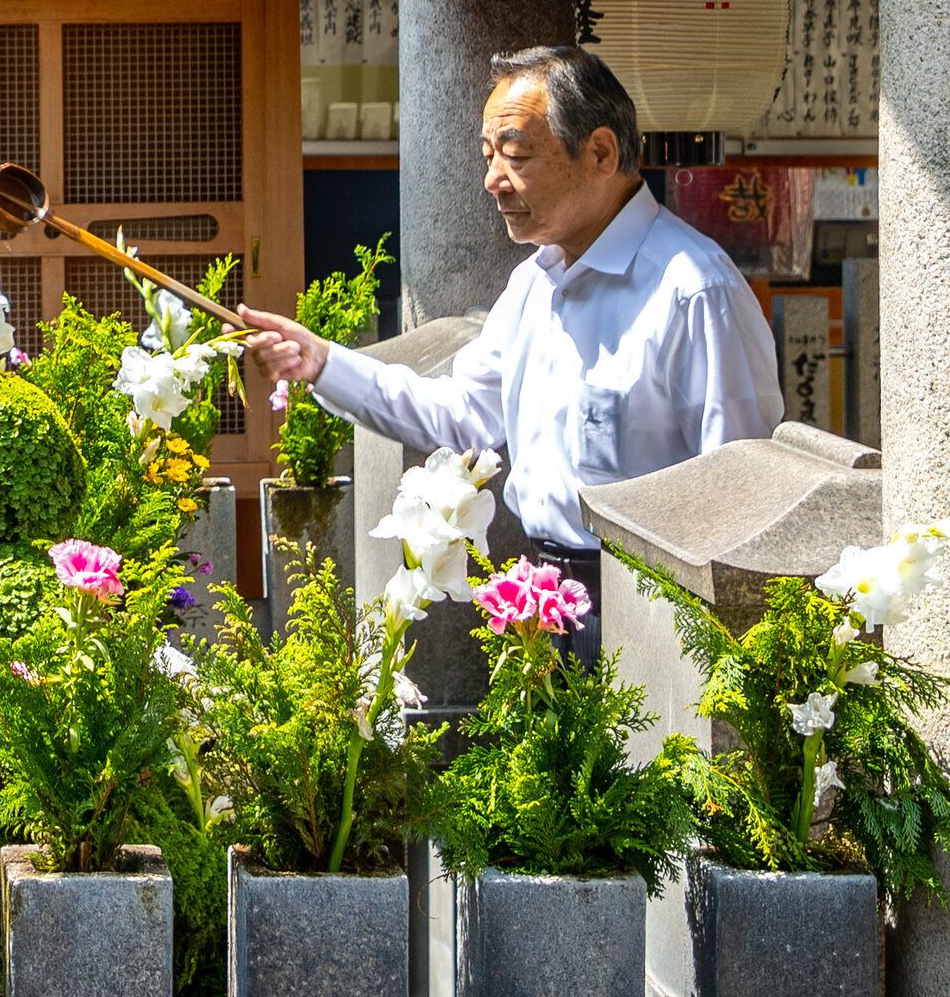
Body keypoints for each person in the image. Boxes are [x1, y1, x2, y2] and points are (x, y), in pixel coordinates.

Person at [241, 43, 783, 644]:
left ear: (600, 152)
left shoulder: (693, 290)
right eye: (489, 154)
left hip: (654, 617)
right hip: (541, 599)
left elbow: (742, 493)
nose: (493, 179)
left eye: (517, 155)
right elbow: (462, 414)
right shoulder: (534, 283)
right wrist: (321, 363)